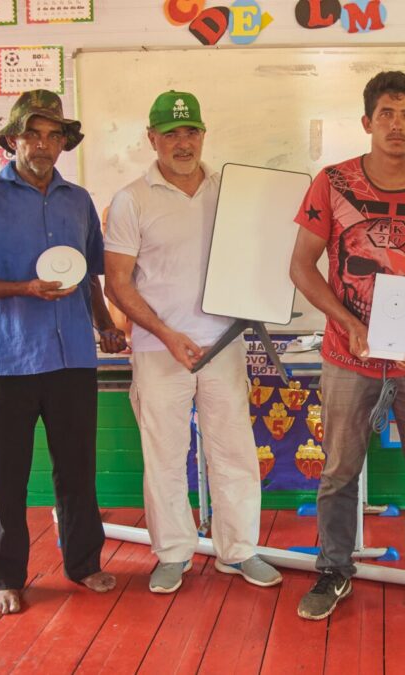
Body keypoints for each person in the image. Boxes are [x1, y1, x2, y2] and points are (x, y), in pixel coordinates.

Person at [290, 71, 405, 628]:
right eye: (386, 114)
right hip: (347, 356)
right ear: (367, 121)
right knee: (337, 472)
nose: (397, 125)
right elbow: (301, 266)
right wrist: (346, 322)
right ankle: (333, 569)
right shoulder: (332, 183)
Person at [0, 90, 125, 614]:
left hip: (72, 359)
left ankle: (84, 564)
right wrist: (21, 288)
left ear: (64, 143)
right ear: (13, 140)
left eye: (53, 135)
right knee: (5, 475)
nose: (43, 144)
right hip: (8, 358)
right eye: (32, 134)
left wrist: (105, 325)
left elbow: (89, 276)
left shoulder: (78, 200)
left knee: (77, 470)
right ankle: (5, 576)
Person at [104, 90, 281, 593]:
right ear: (152, 138)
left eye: (191, 132)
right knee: (164, 456)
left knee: (234, 453)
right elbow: (117, 282)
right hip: (158, 350)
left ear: (203, 135)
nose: (182, 143)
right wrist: (165, 333)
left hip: (224, 345)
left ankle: (238, 550)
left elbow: (263, 256)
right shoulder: (132, 199)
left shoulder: (233, 192)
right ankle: (173, 553)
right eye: (171, 134)